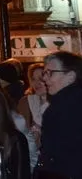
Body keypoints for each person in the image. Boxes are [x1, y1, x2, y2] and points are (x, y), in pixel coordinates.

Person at [35, 51, 82, 179]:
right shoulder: (62, 103)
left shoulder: (67, 106)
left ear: (70, 76)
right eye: (45, 73)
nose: (45, 78)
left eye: (50, 73)